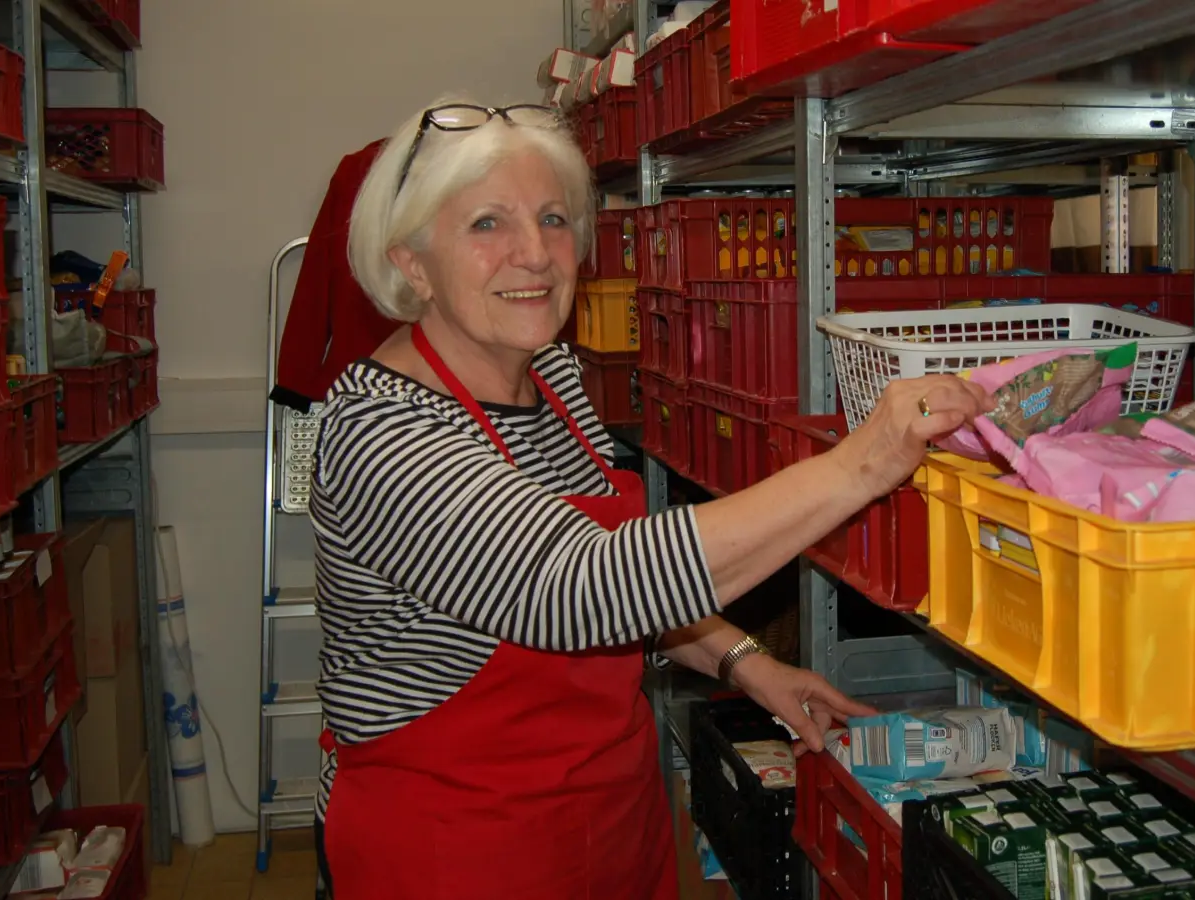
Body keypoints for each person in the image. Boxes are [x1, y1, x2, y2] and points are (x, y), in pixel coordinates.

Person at [309, 95, 989, 899]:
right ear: (412, 262)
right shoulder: (382, 431)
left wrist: (741, 661)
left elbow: (634, 588)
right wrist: (861, 465)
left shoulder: (551, 379)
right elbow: (581, 588)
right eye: (486, 224)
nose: (534, 253)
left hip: (612, 822)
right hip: (454, 846)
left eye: (554, 219)